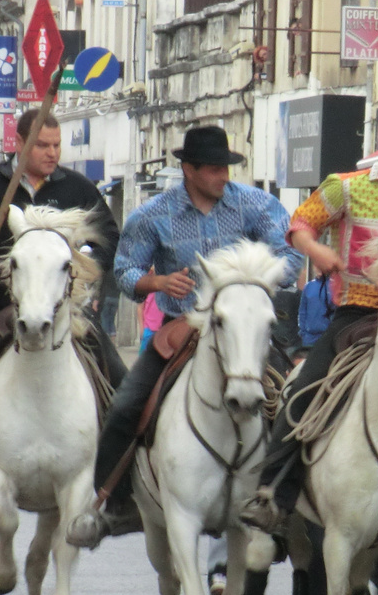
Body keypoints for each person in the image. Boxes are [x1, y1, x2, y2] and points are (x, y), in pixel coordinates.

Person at [72, 124, 300, 547]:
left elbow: (291, 253)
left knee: (294, 406)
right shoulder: (151, 215)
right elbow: (123, 272)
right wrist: (156, 284)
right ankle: (116, 503)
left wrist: (252, 278)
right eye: (213, 169)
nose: (223, 176)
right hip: (181, 330)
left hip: (243, 330)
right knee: (124, 408)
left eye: (226, 168)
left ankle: (283, 504)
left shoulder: (257, 205)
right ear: (189, 170)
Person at [243, 123, 378, 533]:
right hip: (356, 315)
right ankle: (273, 493)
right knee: (302, 393)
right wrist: (317, 250)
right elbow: (300, 224)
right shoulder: (346, 187)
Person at [0, 108, 126, 531]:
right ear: (19, 143)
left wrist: (84, 261)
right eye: (42, 146)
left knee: (121, 385)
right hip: (1, 312)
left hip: (67, 315)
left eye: (56, 146)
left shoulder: (78, 188)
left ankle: (117, 492)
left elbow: (108, 238)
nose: (52, 154)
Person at [297, 268, 333, 351]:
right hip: (309, 338)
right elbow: (302, 312)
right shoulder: (309, 286)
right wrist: (303, 332)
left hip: (328, 337)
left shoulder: (334, 287)